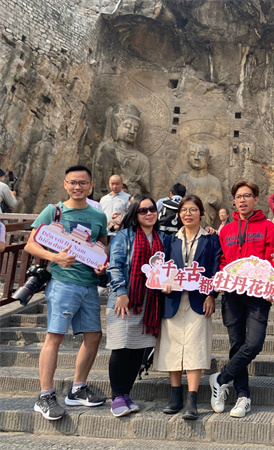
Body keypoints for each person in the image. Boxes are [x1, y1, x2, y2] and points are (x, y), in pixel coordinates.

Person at [25, 165, 108, 421]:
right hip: (63, 283)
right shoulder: (54, 211)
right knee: (55, 336)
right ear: (65, 184)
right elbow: (30, 245)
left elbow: (102, 247)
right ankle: (45, 395)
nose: (77, 187)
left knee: (94, 336)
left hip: (89, 285)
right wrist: (55, 257)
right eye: (73, 182)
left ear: (91, 186)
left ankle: (78, 389)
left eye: (83, 183)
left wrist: (101, 266)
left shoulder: (99, 216)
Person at [209, 181, 274, 418]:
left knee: (254, 344)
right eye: (239, 196)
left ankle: (221, 378)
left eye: (247, 195)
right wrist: (217, 286)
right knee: (236, 344)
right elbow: (221, 261)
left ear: (256, 199)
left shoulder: (268, 227)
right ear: (234, 201)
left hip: (258, 295)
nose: (242, 200)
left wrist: (273, 284)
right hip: (232, 295)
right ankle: (243, 396)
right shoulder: (226, 230)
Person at [155, 195, 222, 420]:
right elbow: (161, 266)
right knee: (172, 347)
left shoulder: (210, 239)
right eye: (184, 210)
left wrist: (212, 294)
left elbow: (215, 268)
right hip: (173, 299)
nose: (188, 214)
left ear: (201, 213)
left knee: (195, 346)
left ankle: (192, 399)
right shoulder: (169, 240)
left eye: (193, 209)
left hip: (198, 300)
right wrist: (162, 282)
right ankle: (175, 396)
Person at [106, 195, 170, 417]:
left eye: (152, 209)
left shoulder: (163, 238)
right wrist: (121, 292)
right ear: (135, 213)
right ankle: (116, 396)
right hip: (125, 299)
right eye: (143, 210)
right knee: (121, 348)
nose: (149, 213)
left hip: (149, 301)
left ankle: (126, 394)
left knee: (137, 349)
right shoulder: (124, 236)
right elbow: (115, 265)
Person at [94, 103, 150, 196]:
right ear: (116, 126)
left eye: (135, 129)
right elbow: (99, 182)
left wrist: (139, 179)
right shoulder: (107, 150)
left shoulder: (142, 159)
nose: (132, 132)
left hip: (134, 198)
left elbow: (147, 188)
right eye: (127, 127)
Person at [176, 142, 223, 228]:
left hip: (206, 226)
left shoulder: (214, 181)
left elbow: (219, 204)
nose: (196, 158)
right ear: (188, 158)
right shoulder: (181, 179)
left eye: (201, 154)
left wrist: (213, 201)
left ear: (208, 158)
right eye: (192, 154)